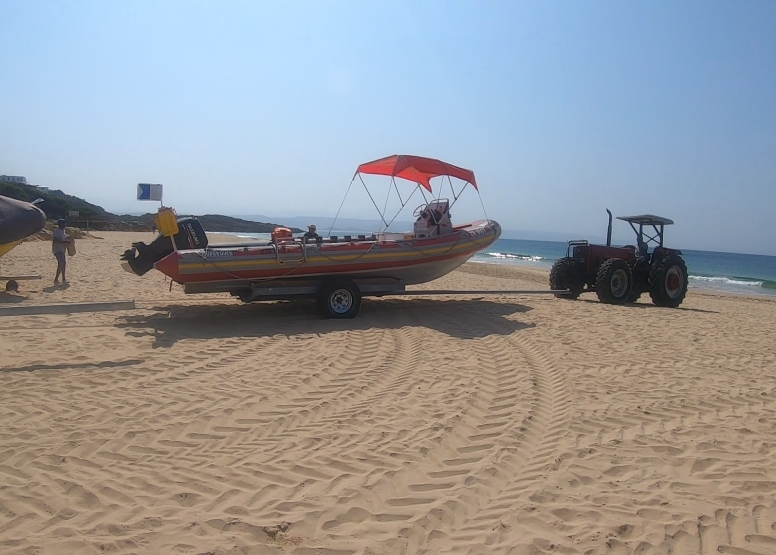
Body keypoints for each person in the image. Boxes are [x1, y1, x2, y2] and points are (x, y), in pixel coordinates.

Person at [52, 218, 72, 284]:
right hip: (57, 250)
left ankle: (63, 279)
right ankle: (56, 280)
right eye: (63, 223)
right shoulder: (57, 231)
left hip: (62, 250)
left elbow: (63, 239)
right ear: (60, 224)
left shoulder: (63, 231)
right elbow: (56, 240)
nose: (65, 224)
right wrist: (65, 241)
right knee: (61, 263)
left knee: (63, 264)